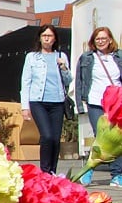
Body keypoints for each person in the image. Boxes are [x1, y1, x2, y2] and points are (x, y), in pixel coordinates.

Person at [20, 24, 71, 175]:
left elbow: (68, 81)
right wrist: (25, 107)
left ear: (55, 38)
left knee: (55, 139)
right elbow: (25, 82)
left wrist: (64, 68)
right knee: (47, 136)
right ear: (40, 38)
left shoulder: (61, 56)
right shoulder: (32, 57)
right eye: (44, 36)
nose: (47, 39)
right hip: (38, 101)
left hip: (58, 102)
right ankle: (44, 171)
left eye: (50, 36)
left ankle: (52, 172)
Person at [74, 26, 122, 186]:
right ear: (93, 41)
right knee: (99, 138)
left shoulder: (119, 56)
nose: (101, 41)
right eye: (97, 39)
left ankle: (117, 176)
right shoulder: (87, 58)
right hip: (96, 102)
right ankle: (88, 170)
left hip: (116, 103)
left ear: (110, 40)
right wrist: (80, 104)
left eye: (104, 38)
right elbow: (80, 81)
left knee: (117, 139)